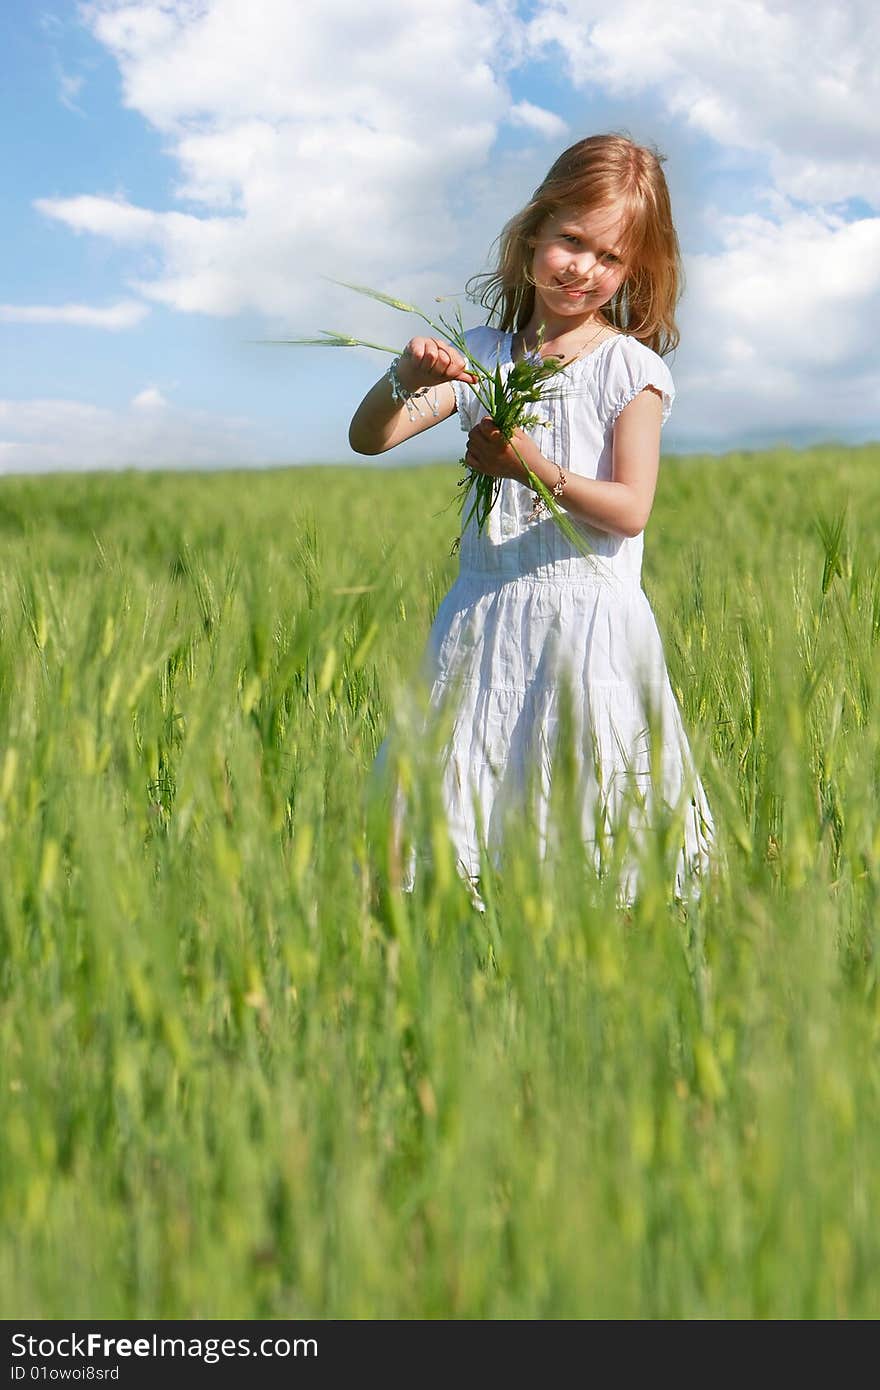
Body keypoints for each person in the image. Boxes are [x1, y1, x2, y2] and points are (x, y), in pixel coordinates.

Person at [349, 133, 714, 905]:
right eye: (571, 242)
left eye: (609, 258)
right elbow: (370, 439)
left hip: (590, 633)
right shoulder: (482, 356)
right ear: (533, 236)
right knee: (464, 824)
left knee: (592, 831)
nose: (583, 268)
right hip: (483, 622)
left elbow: (630, 510)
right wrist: (403, 377)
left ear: (634, 272)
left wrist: (534, 470)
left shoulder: (630, 370)